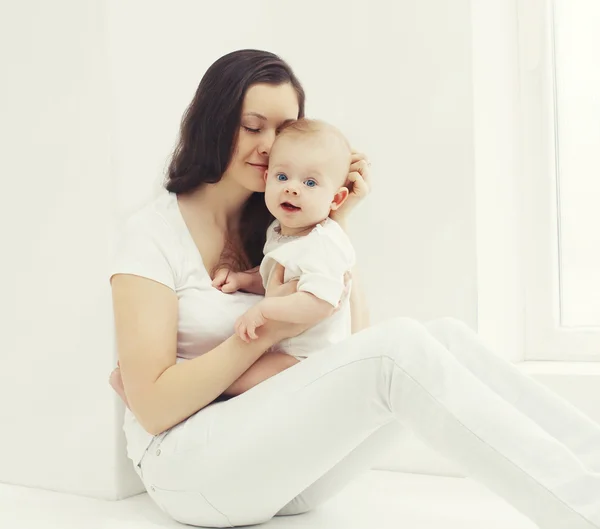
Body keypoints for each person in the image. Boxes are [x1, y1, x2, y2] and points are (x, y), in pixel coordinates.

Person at [109, 49, 600, 529]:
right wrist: (267, 324)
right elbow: (152, 408)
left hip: (280, 475)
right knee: (400, 347)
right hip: (189, 472)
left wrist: (332, 227)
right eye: (253, 126)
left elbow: (353, 352)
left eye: (285, 130)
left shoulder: (284, 226)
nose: (270, 146)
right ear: (212, 123)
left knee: (442, 339)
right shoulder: (153, 234)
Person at [212, 118, 356, 361]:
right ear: (267, 178)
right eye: (282, 177)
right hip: (289, 351)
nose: (292, 188)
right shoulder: (279, 231)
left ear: (337, 199)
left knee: (233, 380)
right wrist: (244, 280)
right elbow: (278, 276)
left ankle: (173, 392)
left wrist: (265, 309)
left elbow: (321, 303)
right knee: (230, 372)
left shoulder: (322, 243)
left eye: (310, 182)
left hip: (312, 358)